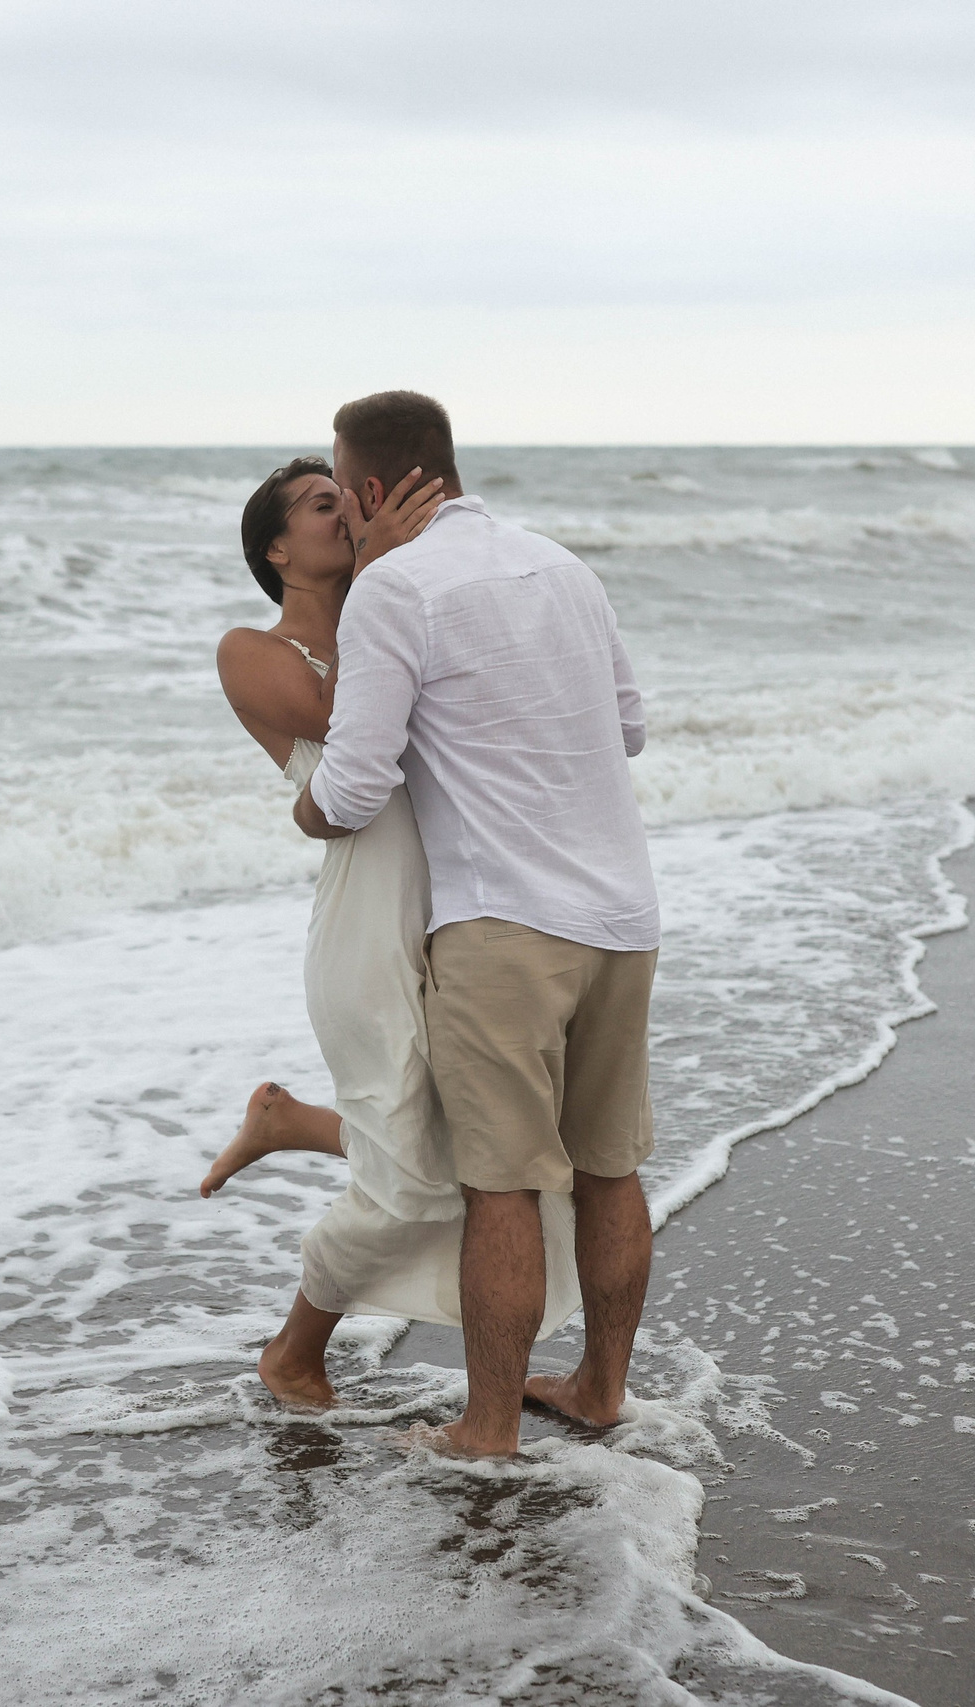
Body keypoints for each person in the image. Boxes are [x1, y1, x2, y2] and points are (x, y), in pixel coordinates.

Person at [295, 391, 658, 1458]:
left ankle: (487, 1427)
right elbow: (629, 728)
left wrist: (305, 808)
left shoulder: (394, 588)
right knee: (610, 1166)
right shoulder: (561, 564)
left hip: (503, 926)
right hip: (624, 913)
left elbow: (355, 785)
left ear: (368, 489)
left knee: (497, 1184)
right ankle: (599, 1387)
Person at [204, 455, 581, 1410]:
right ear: (278, 548)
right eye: (325, 506)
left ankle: (289, 1122)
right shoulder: (250, 649)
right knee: (413, 1179)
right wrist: (387, 562)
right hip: (368, 923)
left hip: (465, 905)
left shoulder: (400, 608)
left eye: (353, 499)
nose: (350, 514)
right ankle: (292, 1352)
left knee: (476, 1141)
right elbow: (354, 720)